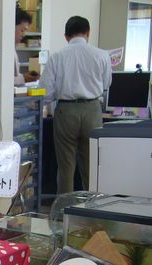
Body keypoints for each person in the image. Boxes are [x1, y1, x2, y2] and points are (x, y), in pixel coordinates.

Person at [41, 16, 112, 194]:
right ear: (88, 33)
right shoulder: (102, 55)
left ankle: (65, 207)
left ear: (66, 36)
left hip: (66, 111)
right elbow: (106, 84)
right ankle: (92, 206)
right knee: (91, 165)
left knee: (65, 167)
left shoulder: (57, 57)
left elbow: (45, 92)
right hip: (92, 110)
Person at [14, 8, 33, 86]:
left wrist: (24, 76)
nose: (24, 34)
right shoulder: (5, 50)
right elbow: (6, 79)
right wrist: (24, 78)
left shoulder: (12, 49)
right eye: (22, 30)